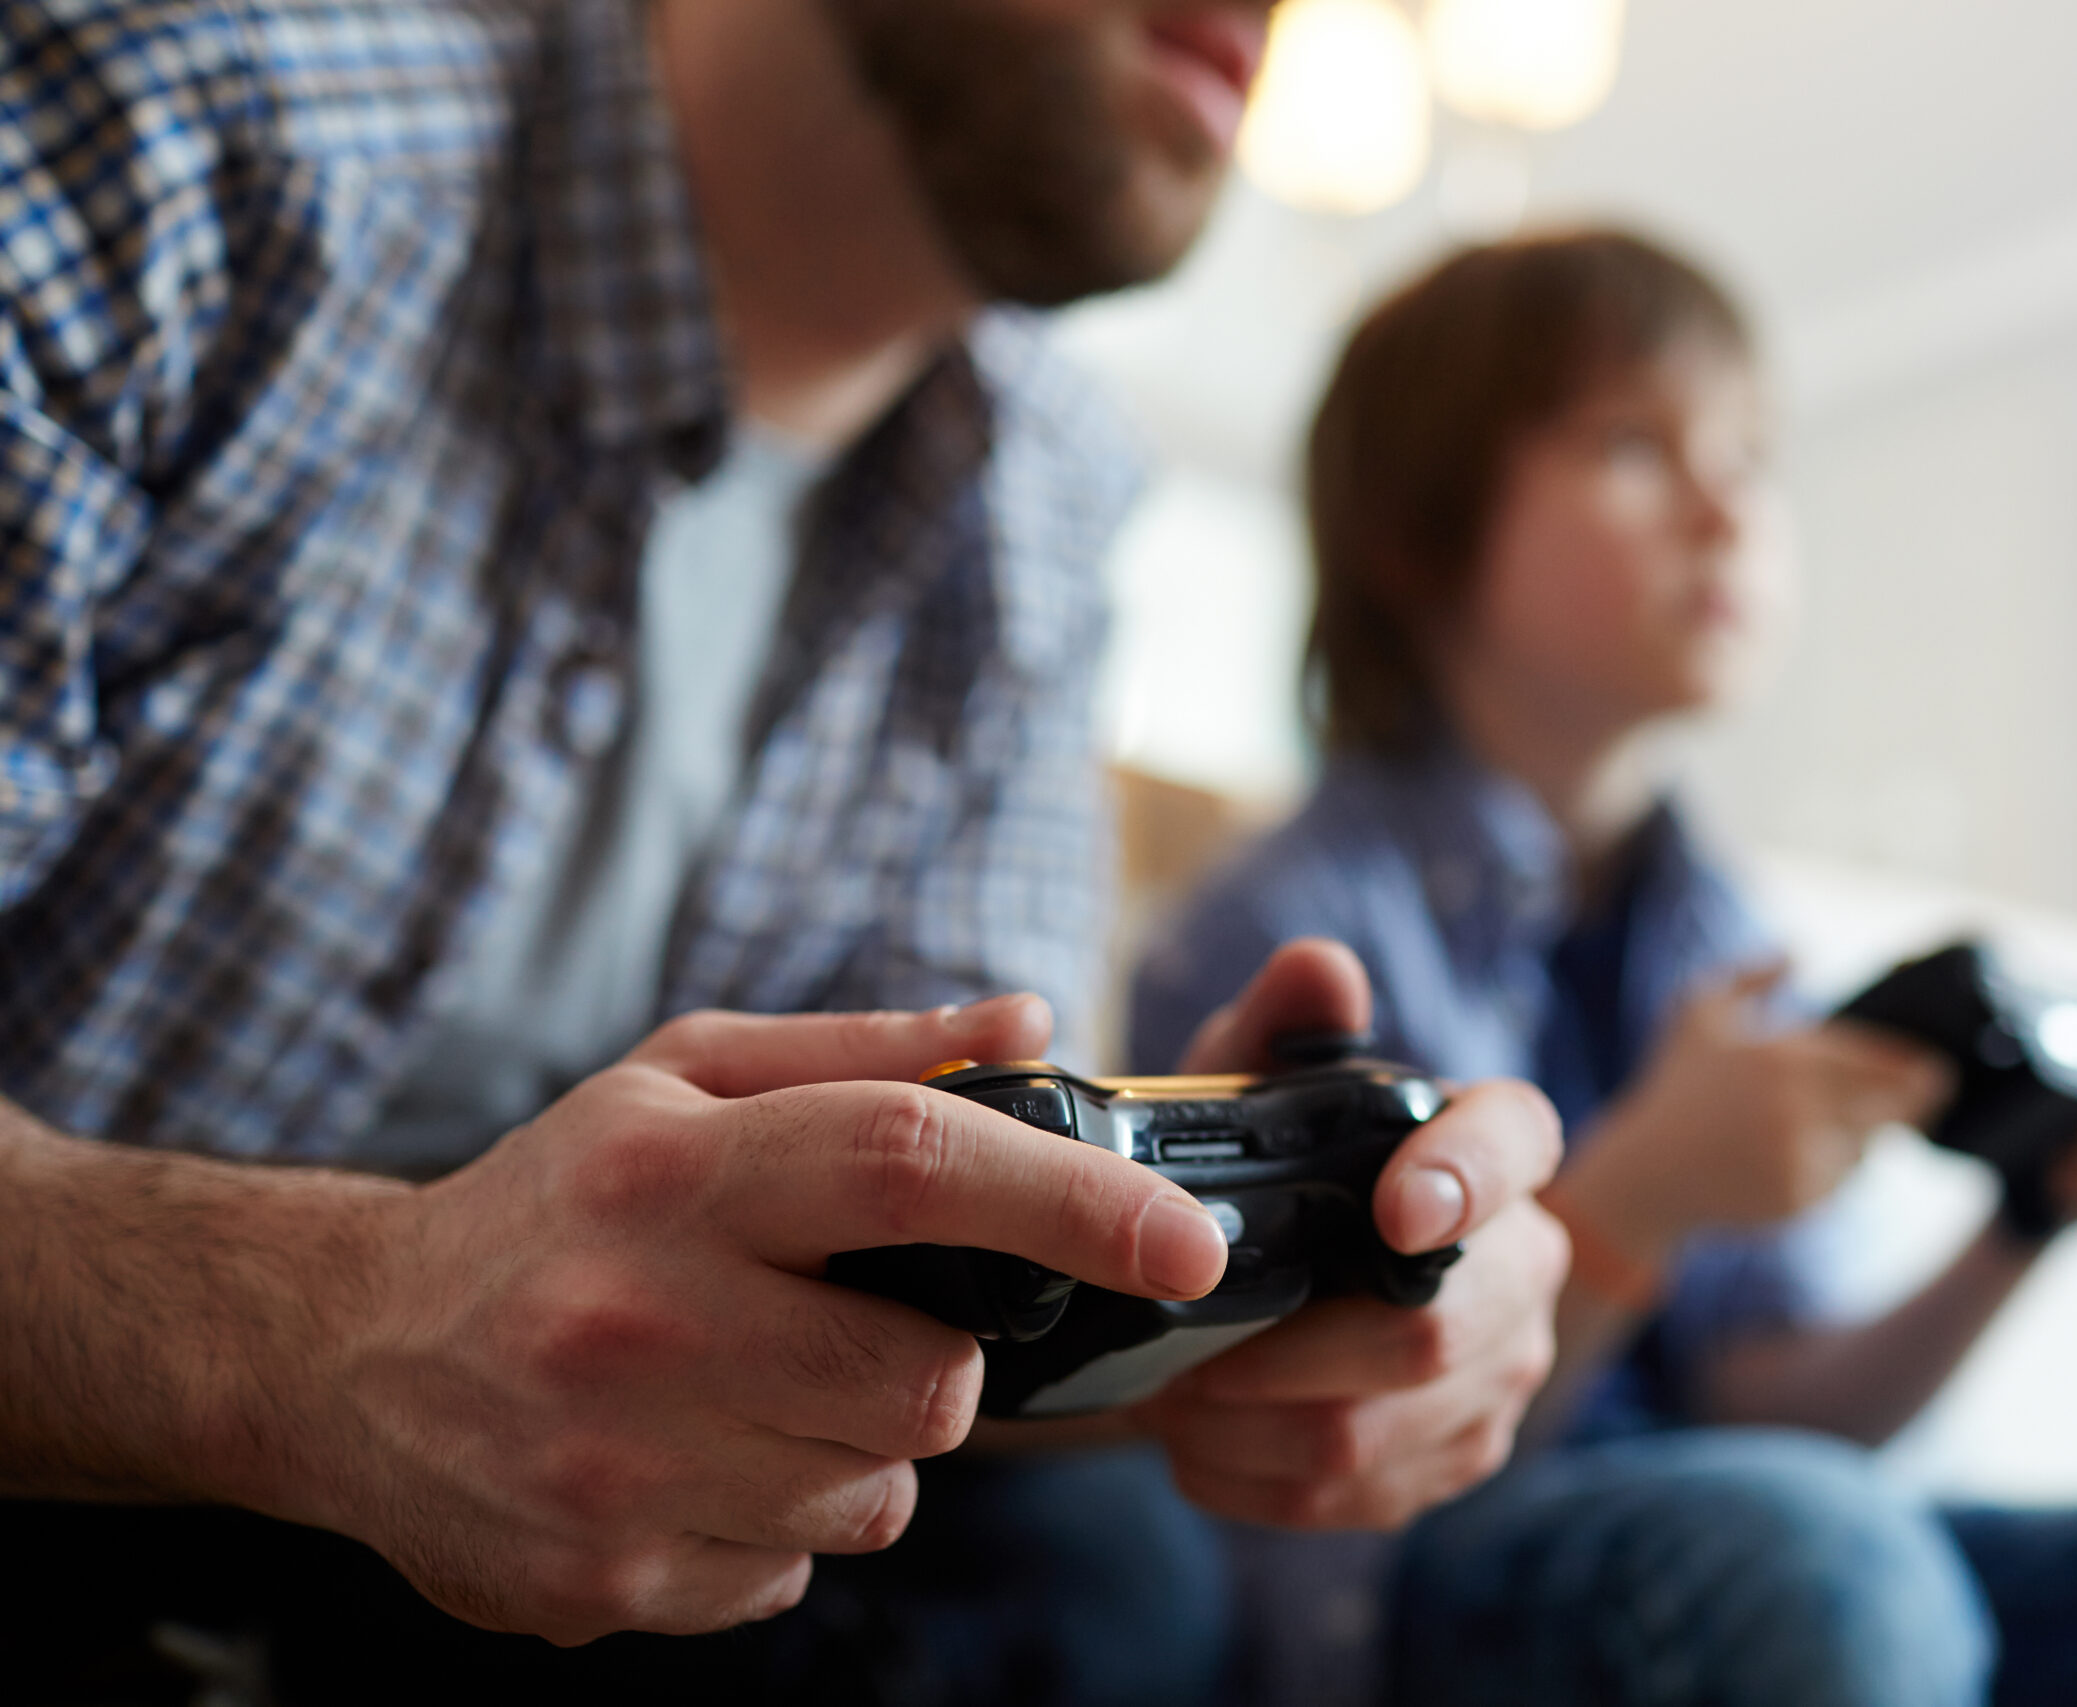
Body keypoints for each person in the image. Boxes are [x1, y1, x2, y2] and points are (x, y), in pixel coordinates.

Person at [0, 3, 1566, 1701]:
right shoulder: (185, 141)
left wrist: (1195, 1299)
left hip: (529, 1578)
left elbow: (885, 1328)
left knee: (1093, 1576)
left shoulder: (1047, 495)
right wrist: (331, 1329)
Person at [1130, 230, 2077, 1707]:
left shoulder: (1718, 927)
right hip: (1422, 1577)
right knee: (1818, 1554)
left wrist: (2024, 1223)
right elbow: (1344, 1443)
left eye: (1751, 455)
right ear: (1415, 536)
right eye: (1635, 444)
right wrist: (1643, 1196)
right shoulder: (1291, 933)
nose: (1728, 507)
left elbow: (1787, 1407)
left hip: (1770, 1534)